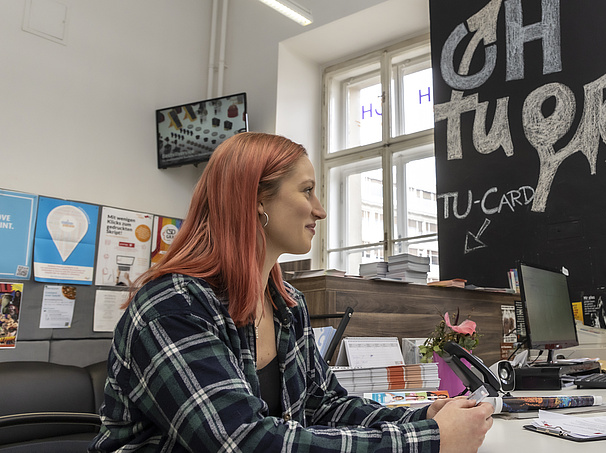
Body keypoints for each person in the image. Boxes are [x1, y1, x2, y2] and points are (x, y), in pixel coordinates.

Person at [89, 132, 494, 452]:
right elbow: (240, 441)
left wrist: (425, 417)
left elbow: (322, 406)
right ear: (256, 201)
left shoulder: (287, 304)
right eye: (307, 191)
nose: (319, 209)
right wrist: (430, 441)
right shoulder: (173, 305)